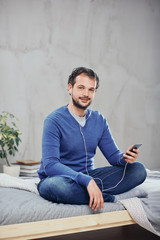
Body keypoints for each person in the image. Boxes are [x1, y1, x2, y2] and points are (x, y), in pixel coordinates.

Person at [37, 67, 146, 211]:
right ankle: (108, 197)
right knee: (57, 187)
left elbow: (114, 157)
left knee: (139, 170)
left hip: (91, 177)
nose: (85, 94)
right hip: (61, 179)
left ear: (95, 92)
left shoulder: (99, 120)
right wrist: (86, 180)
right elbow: (50, 165)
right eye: (81, 88)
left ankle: (90, 192)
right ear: (70, 88)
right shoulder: (53, 120)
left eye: (91, 89)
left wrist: (125, 158)